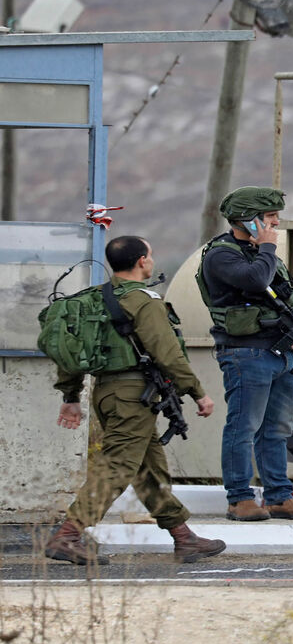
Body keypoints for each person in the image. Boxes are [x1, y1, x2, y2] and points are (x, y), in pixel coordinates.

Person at [46, 236, 224, 565]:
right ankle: (67, 535)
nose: (152, 261)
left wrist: (71, 395)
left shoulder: (95, 299)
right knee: (118, 465)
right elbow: (166, 351)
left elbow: (71, 350)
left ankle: (184, 538)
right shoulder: (144, 301)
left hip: (108, 393)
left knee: (148, 469)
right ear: (142, 261)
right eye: (151, 255)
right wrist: (197, 392)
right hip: (133, 395)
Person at [197, 186, 293, 522]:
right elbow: (255, 281)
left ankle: (279, 496)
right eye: (269, 218)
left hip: (279, 352)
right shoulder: (222, 254)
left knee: (277, 429)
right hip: (246, 354)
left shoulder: (260, 253)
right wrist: (267, 247)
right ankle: (239, 498)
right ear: (247, 219)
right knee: (244, 427)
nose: (275, 223)